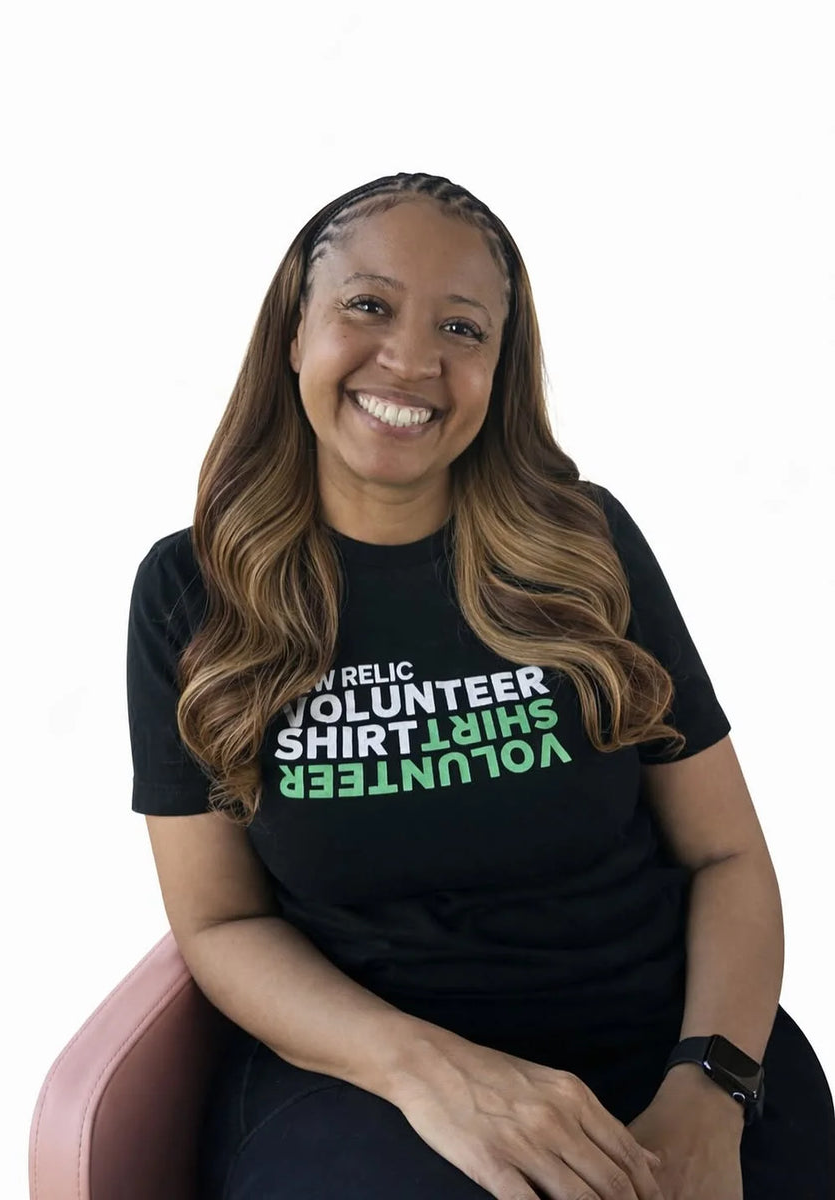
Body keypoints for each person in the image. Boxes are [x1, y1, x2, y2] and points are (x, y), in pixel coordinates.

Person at [126, 172, 835, 1200]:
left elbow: (727, 853)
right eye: (368, 305)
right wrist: (432, 1074)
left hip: (667, 1049)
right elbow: (220, 924)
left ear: (502, 370)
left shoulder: (584, 546)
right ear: (294, 329)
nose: (412, 360)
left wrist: (711, 1090)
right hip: (364, 1078)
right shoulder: (191, 591)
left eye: (463, 329)